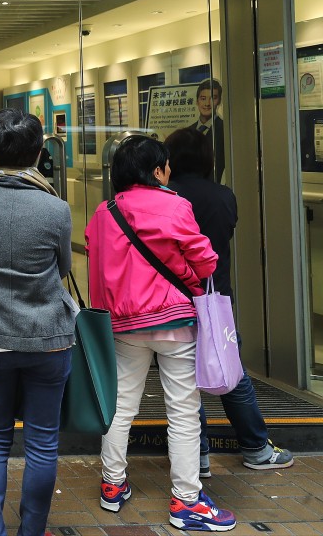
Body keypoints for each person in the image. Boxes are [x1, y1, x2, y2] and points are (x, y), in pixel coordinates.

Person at [86, 135, 237, 532]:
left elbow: (96, 264)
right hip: (174, 322)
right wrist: (184, 275)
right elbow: (204, 262)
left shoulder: (104, 212)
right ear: (157, 170)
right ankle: (186, 501)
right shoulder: (175, 205)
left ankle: (113, 486)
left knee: (120, 407)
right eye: (165, 166)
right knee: (183, 411)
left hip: (123, 325)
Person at [0, 111, 76, 536]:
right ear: (40, 153)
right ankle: (31, 531)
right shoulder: (56, 208)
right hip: (48, 337)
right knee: (42, 443)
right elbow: (62, 267)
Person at [164, 127, 294, 475]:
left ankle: (199, 454)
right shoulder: (223, 196)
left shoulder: (166, 196)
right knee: (230, 372)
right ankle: (255, 447)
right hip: (215, 296)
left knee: (183, 377)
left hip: (174, 297)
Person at [189, 79, 225, 182]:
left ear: (219, 101)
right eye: (203, 98)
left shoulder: (224, 130)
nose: (207, 103)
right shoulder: (189, 131)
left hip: (213, 189)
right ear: (197, 101)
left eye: (213, 98)